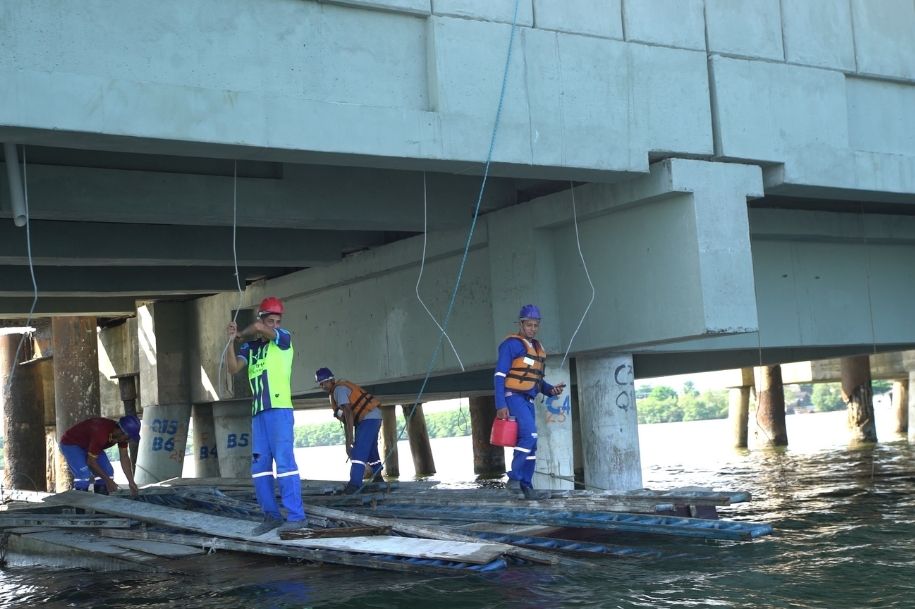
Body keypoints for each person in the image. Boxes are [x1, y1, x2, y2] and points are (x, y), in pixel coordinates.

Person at [225, 296, 306, 535]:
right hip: (258, 413)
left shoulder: (283, 339)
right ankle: (271, 516)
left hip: (279, 410)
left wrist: (240, 334)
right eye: (271, 321)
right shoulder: (250, 348)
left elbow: (259, 328)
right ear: (262, 318)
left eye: (277, 321)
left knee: (285, 464)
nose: (275, 325)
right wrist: (230, 341)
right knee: (260, 467)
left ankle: (297, 517)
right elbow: (233, 368)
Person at [493, 304, 565, 500]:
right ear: (521, 324)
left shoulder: (537, 348)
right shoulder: (511, 345)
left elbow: (536, 380)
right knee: (529, 436)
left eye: (536, 325)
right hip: (513, 397)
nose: (532, 329)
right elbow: (499, 376)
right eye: (529, 325)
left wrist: (551, 390)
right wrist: (500, 404)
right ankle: (514, 479)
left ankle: (527, 487)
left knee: (532, 445)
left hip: (529, 400)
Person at [315, 367, 383, 495]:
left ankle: (354, 484)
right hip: (373, 416)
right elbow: (347, 419)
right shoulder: (337, 391)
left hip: (368, 417)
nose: (322, 386)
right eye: (321, 384)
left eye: (324, 383)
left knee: (358, 451)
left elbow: (348, 412)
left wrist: (351, 439)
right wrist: (348, 441)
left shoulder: (339, 390)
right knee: (371, 449)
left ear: (331, 380)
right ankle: (378, 476)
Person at [59, 415, 141, 497]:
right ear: (121, 431)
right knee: (84, 475)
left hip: (90, 445)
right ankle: (81, 504)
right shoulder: (101, 432)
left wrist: (131, 482)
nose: (128, 440)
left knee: (108, 472)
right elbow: (91, 462)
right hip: (71, 444)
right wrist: (108, 481)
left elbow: (124, 457)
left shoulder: (122, 437)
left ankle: (101, 503)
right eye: (128, 437)